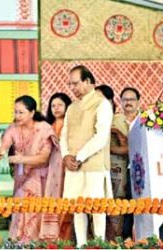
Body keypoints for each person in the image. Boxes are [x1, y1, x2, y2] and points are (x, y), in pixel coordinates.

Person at [60, 65, 113, 247]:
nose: (72, 88)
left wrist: (79, 157)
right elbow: (64, 134)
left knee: (97, 209)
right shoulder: (72, 107)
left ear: (88, 82)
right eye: (70, 84)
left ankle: (99, 244)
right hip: (74, 165)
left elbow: (101, 137)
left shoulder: (102, 103)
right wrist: (66, 156)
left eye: (75, 83)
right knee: (77, 207)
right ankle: (81, 245)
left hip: (94, 166)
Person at [0, 95, 63, 242]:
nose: (17, 116)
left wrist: (21, 159)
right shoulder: (13, 129)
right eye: (15, 112)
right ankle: (22, 243)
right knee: (21, 210)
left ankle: (32, 244)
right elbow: (2, 149)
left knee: (36, 212)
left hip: (42, 180)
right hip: (21, 178)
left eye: (21, 112)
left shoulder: (44, 129)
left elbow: (43, 158)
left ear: (32, 112)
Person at [96, 84, 129, 240]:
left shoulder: (118, 119)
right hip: (96, 171)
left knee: (116, 211)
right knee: (96, 209)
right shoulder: (93, 120)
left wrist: (106, 148)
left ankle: (116, 243)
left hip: (117, 172)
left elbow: (128, 148)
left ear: (109, 101)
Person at [45, 92, 73, 240]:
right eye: (53, 105)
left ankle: (66, 239)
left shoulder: (72, 125)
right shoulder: (48, 126)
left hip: (67, 166)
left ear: (67, 106)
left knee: (67, 200)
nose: (56, 108)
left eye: (60, 105)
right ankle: (52, 239)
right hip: (52, 169)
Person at [119, 87, 141, 240]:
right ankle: (125, 239)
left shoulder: (148, 121)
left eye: (132, 99)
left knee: (148, 206)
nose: (128, 102)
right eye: (125, 99)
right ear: (120, 102)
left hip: (144, 171)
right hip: (122, 170)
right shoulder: (114, 121)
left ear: (138, 102)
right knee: (126, 205)